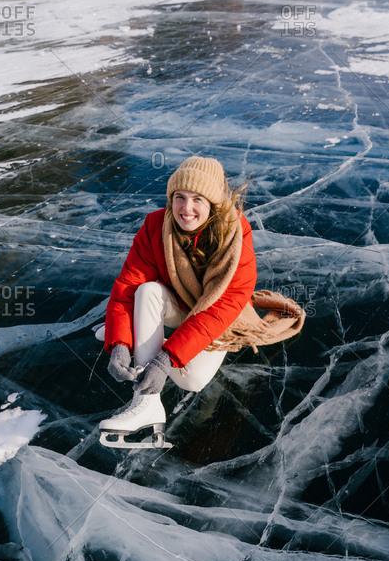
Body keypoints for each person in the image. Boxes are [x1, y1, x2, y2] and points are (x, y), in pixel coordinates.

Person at [99, 155, 305, 447]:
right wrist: (119, 342)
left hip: (215, 317)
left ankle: (148, 334)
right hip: (180, 304)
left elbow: (219, 310)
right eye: (179, 197)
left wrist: (166, 358)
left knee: (190, 381)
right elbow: (127, 286)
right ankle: (146, 405)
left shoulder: (236, 237)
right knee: (146, 292)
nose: (186, 208)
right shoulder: (156, 225)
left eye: (197, 198)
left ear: (213, 203)